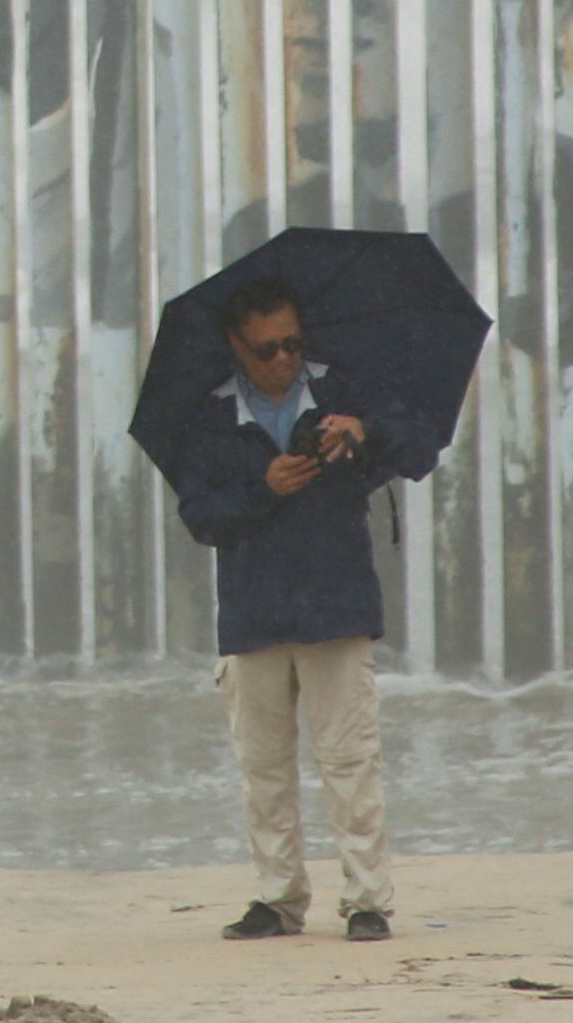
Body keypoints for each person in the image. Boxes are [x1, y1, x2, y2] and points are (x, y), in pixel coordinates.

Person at [170, 272, 443, 944]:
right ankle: (276, 898)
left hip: (334, 601)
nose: (283, 358)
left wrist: (364, 429)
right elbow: (200, 516)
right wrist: (262, 486)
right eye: (265, 348)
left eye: (291, 343)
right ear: (236, 345)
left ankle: (367, 900)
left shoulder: (340, 394)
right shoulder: (207, 417)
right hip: (252, 609)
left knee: (350, 758)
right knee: (262, 765)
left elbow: (419, 445)